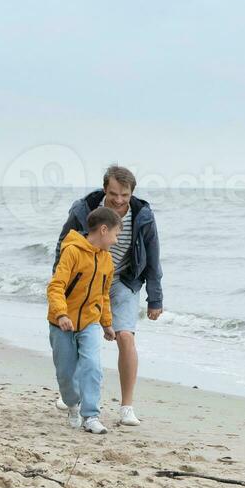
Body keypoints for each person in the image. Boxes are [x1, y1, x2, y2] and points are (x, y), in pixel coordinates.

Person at [54, 164, 163, 425]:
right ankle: (73, 392)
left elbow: (153, 256)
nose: (119, 200)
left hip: (123, 280)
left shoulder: (143, 215)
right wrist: (62, 286)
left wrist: (155, 297)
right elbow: (63, 245)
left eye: (124, 195)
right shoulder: (84, 209)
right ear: (105, 189)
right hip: (85, 280)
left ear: (131, 193)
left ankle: (127, 407)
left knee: (125, 336)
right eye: (114, 193)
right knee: (77, 337)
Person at [48, 206, 120, 435]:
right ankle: (72, 405)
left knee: (92, 366)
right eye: (116, 234)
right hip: (62, 323)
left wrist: (107, 323)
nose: (117, 240)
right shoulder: (72, 252)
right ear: (104, 230)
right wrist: (61, 314)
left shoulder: (108, 261)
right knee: (66, 374)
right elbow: (56, 286)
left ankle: (91, 416)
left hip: (90, 322)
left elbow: (103, 295)